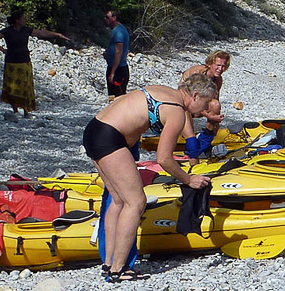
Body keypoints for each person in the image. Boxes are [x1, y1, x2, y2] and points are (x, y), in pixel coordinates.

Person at [82, 74, 217, 278]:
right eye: (206, 104)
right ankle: (120, 269)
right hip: (110, 138)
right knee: (136, 202)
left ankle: (109, 263)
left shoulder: (165, 91)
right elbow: (164, 159)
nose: (205, 111)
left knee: (118, 201)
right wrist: (188, 179)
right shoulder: (177, 111)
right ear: (196, 95)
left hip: (95, 129)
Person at [0, 8, 70, 116]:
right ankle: (15, 110)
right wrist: (3, 50)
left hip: (24, 61)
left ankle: (26, 110)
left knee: (25, 86)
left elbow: (42, 34)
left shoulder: (26, 30)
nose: (25, 20)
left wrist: (57, 34)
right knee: (12, 87)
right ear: (17, 20)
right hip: (12, 62)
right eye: (23, 18)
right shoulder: (7, 31)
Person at [180, 50, 229, 146]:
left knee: (216, 105)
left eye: (223, 66)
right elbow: (190, 101)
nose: (220, 69)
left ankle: (206, 139)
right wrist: (209, 116)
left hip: (199, 104)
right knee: (187, 109)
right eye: (217, 65)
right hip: (185, 104)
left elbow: (215, 99)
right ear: (210, 64)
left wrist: (216, 123)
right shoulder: (197, 74)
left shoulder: (218, 79)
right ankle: (190, 140)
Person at [103, 9, 130, 101]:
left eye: (107, 17)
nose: (105, 19)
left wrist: (113, 72)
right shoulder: (117, 30)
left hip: (119, 70)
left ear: (114, 18)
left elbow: (119, 51)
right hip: (114, 67)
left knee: (119, 100)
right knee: (112, 97)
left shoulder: (119, 31)